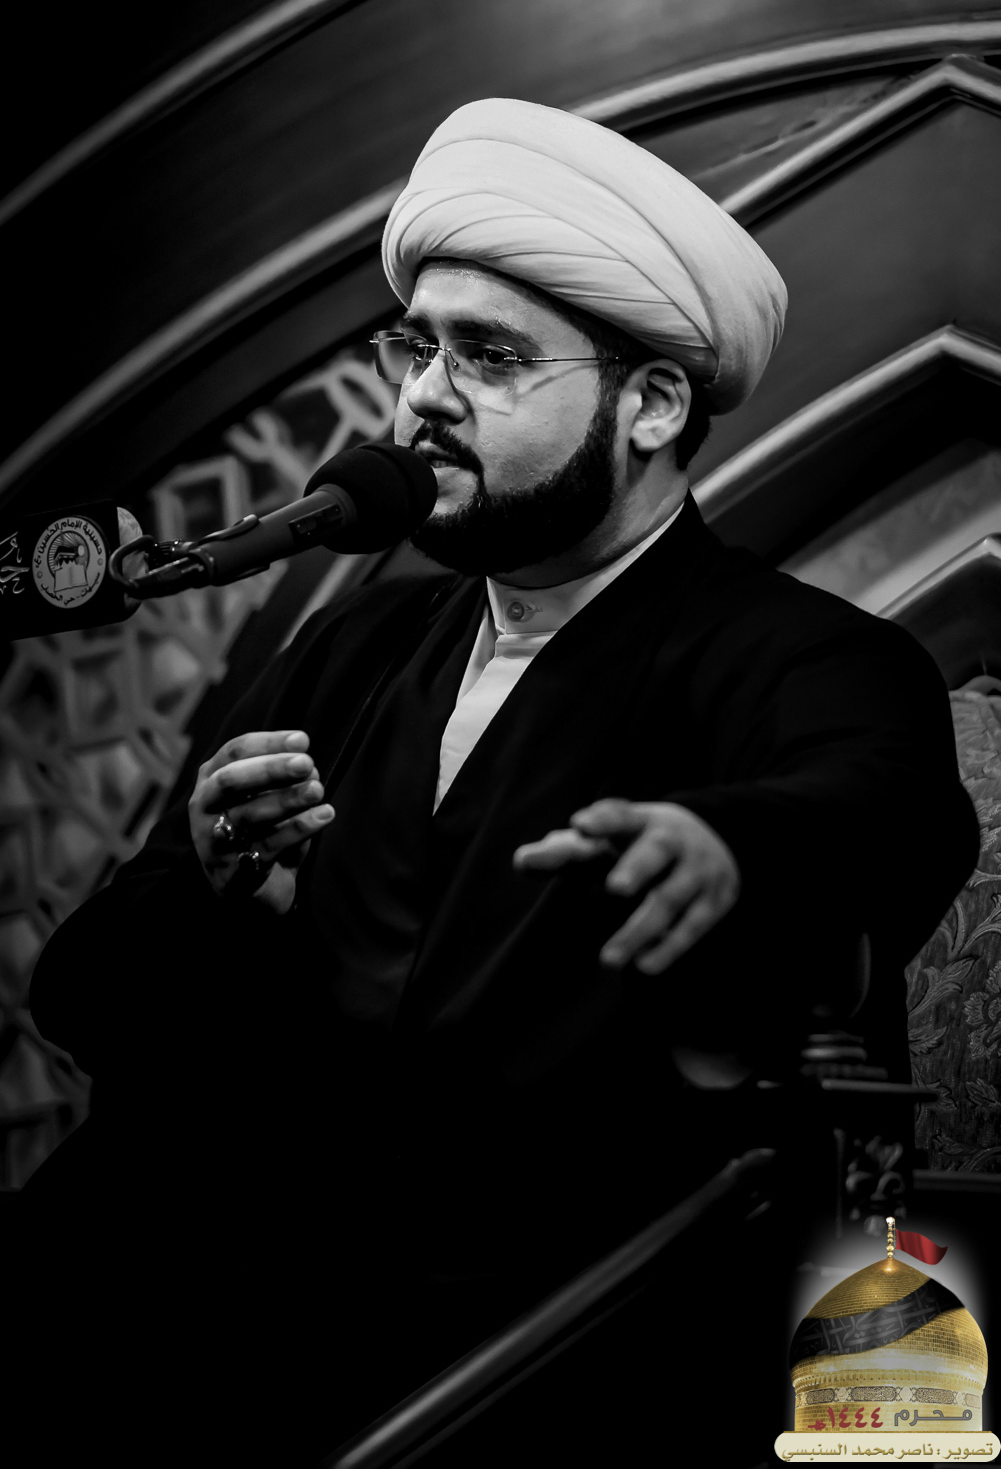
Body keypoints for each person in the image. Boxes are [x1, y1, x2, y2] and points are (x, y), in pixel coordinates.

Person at [13, 99, 978, 1465]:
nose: (421, 396)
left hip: (562, 1363)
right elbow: (84, 998)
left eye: (489, 356)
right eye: (418, 346)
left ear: (650, 405)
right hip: (260, 1324)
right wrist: (214, 888)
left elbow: (886, 811)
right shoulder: (357, 648)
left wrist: (730, 852)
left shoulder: (806, 655)